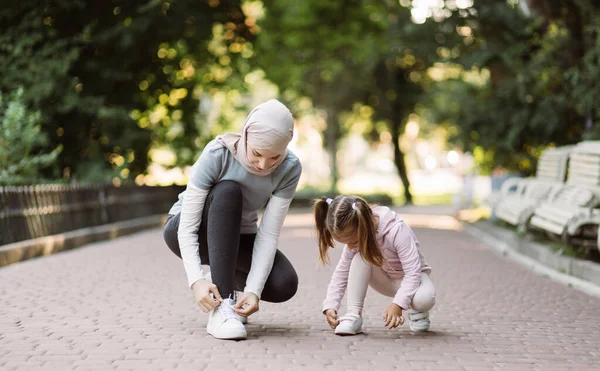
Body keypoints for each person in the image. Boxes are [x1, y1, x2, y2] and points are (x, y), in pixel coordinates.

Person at [163, 99, 302, 340]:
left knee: (284, 283)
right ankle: (222, 307)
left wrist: (254, 290)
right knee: (228, 190)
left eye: (274, 158)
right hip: (188, 229)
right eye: (257, 154)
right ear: (246, 135)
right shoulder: (217, 154)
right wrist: (196, 281)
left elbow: (268, 234)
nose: (262, 165)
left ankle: (227, 285)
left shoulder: (290, 169)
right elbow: (186, 227)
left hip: (239, 236)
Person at [314, 195, 435, 335]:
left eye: (352, 241)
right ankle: (353, 315)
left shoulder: (397, 231)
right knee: (360, 257)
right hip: (386, 280)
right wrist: (330, 305)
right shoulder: (355, 240)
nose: (350, 246)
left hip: (414, 280)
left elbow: (413, 273)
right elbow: (341, 273)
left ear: (363, 227)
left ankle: (417, 313)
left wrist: (398, 305)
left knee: (424, 299)